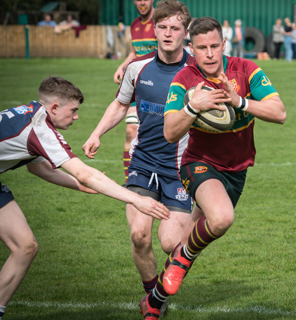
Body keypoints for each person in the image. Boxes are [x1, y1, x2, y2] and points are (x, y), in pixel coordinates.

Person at [0, 76, 169, 320]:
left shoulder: (31, 115)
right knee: (23, 246)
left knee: (25, 246)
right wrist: (136, 199)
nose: (77, 116)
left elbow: (38, 167)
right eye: (74, 110)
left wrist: (80, 187)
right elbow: (84, 173)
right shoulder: (39, 127)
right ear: (55, 107)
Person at [81, 0, 195, 319]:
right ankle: (153, 301)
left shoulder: (197, 69)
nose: (168, 33)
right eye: (162, 27)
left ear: (185, 32)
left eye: (175, 28)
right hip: (143, 162)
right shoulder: (138, 67)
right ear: (154, 29)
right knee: (138, 235)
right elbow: (120, 105)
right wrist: (96, 133)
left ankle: (156, 296)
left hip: (179, 168)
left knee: (172, 242)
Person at [161, 16, 286, 298]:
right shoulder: (185, 79)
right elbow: (169, 132)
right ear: (191, 48)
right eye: (202, 47)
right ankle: (182, 261)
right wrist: (193, 106)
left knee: (183, 242)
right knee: (221, 219)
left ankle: (153, 302)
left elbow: (280, 113)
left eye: (215, 46)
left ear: (224, 44)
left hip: (237, 170)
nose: (209, 54)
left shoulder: (246, 70)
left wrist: (239, 101)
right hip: (198, 163)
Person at [113, 0, 158, 182]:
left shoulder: (161, 23)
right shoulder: (134, 25)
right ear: (134, 1)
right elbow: (135, 52)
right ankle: (129, 181)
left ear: (152, 0)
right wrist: (122, 67)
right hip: (138, 85)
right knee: (131, 131)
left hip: (160, 86)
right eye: (139, 0)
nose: (142, 3)